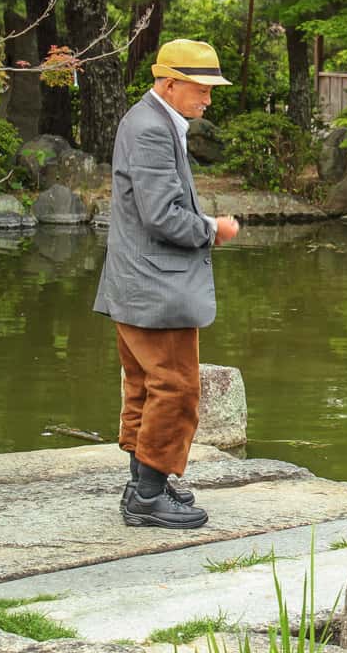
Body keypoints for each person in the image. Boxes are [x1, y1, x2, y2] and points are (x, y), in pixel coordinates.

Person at [93, 38, 240, 529]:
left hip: (137, 282)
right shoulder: (152, 129)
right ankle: (149, 496)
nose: (208, 99)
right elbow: (161, 215)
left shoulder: (149, 121)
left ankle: (143, 484)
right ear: (170, 83)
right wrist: (213, 229)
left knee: (145, 386)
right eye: (201, 89)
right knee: (176, 388)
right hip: (156, 286)